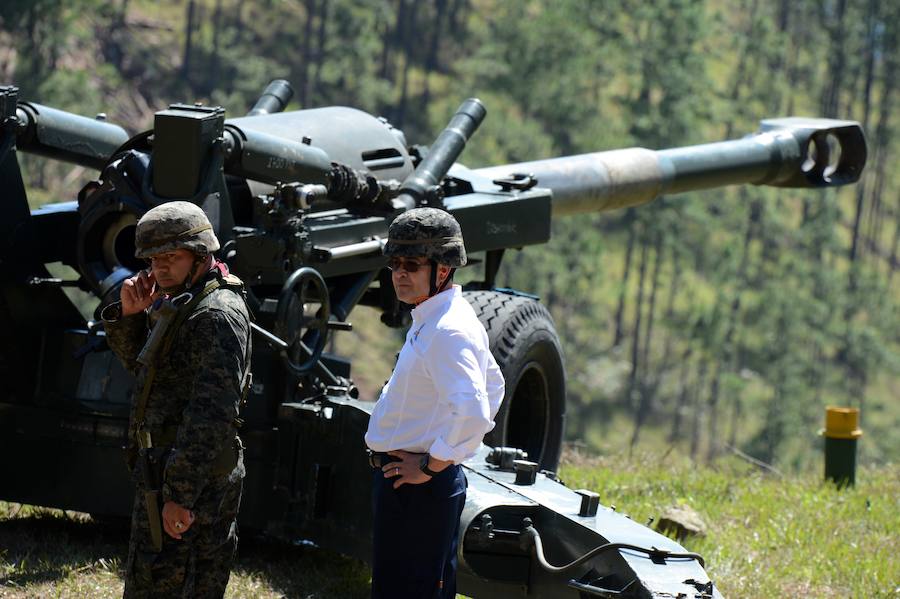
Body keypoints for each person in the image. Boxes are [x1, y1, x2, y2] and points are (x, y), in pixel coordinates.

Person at [101, 201, 251, 598]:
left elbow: (212, 416)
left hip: (193, 481)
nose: (160, 268)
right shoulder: (182, 302)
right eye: (153, 259)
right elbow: (149, 374)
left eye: (171, 257)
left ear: (200, 255)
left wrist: (179, 496)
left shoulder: (215, 315)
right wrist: (131, 315)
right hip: (167, 470)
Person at [364, 207, 505, 598]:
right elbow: (493, 384)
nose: (400, 273)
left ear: (442, 270)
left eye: (412, 263)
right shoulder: (438, 317)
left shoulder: (447, 329)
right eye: (394, 263)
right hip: (408, 482)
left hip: (418, 487)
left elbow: (475, 411)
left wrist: (432, 464)